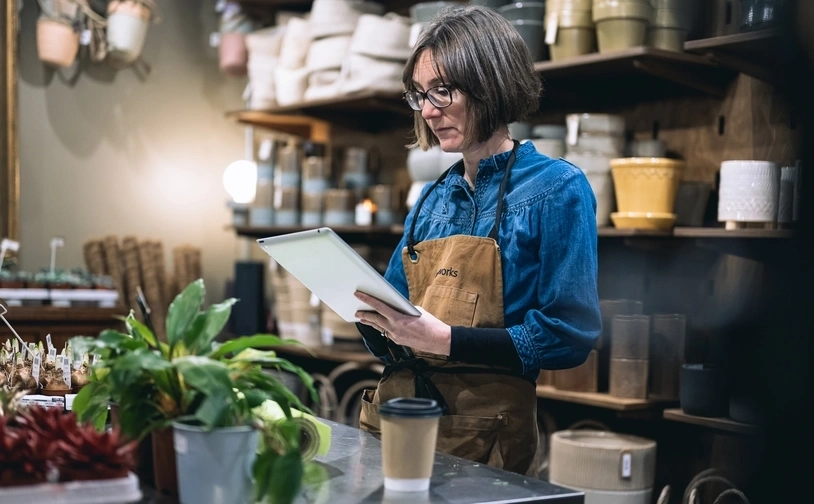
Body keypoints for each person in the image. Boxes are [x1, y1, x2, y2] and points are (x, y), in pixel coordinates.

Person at [353, 5, 601, 476]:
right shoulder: (433, 198)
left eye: (442, 91)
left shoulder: (557, 189)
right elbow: (394, 324)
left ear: (490, 82)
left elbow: (570, 335)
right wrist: (368, 315)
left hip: (486, 444)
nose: (427, 111)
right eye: (419, 95)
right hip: (399, 423)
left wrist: (448, 340)